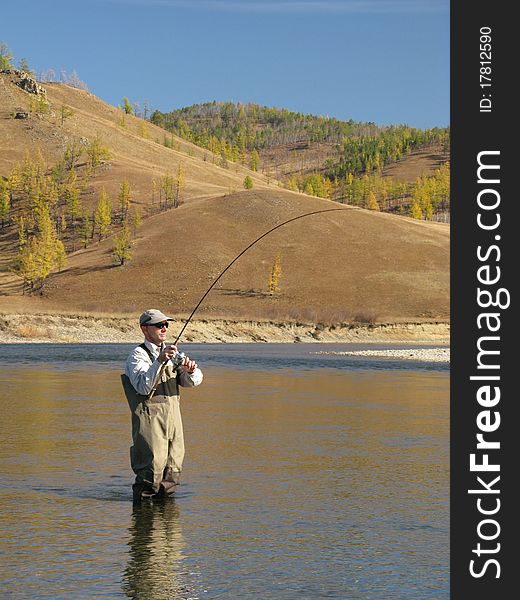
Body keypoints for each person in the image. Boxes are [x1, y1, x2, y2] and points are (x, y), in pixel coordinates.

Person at [121, 309, 203, 502]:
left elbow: (195, 381)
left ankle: (169, 525)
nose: (164, 328)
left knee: (172, 472)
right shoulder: (137, 356)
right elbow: (143, 387)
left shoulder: (174, 354)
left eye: (166, 324)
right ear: (144, 329)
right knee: (150, 473)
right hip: (150, 422)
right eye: (159, 325)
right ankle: (143, 526)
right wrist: (159, 361)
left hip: (174, 422)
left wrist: (190, 371)